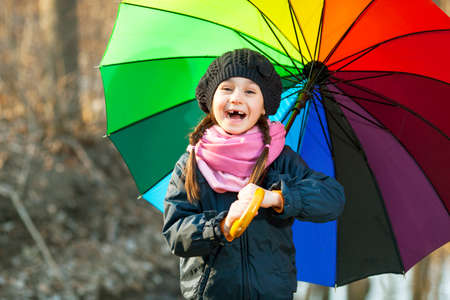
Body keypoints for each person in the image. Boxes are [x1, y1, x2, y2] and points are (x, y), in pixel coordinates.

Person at [162, 48, 345, 300]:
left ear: (263, 107)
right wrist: (221, 226)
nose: (236, 98)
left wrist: (277, 198)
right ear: (211, 100)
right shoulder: (192, 162)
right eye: (227, 88)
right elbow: (175, 232)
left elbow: (332, 198)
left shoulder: (279, 158)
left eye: (250, 91)